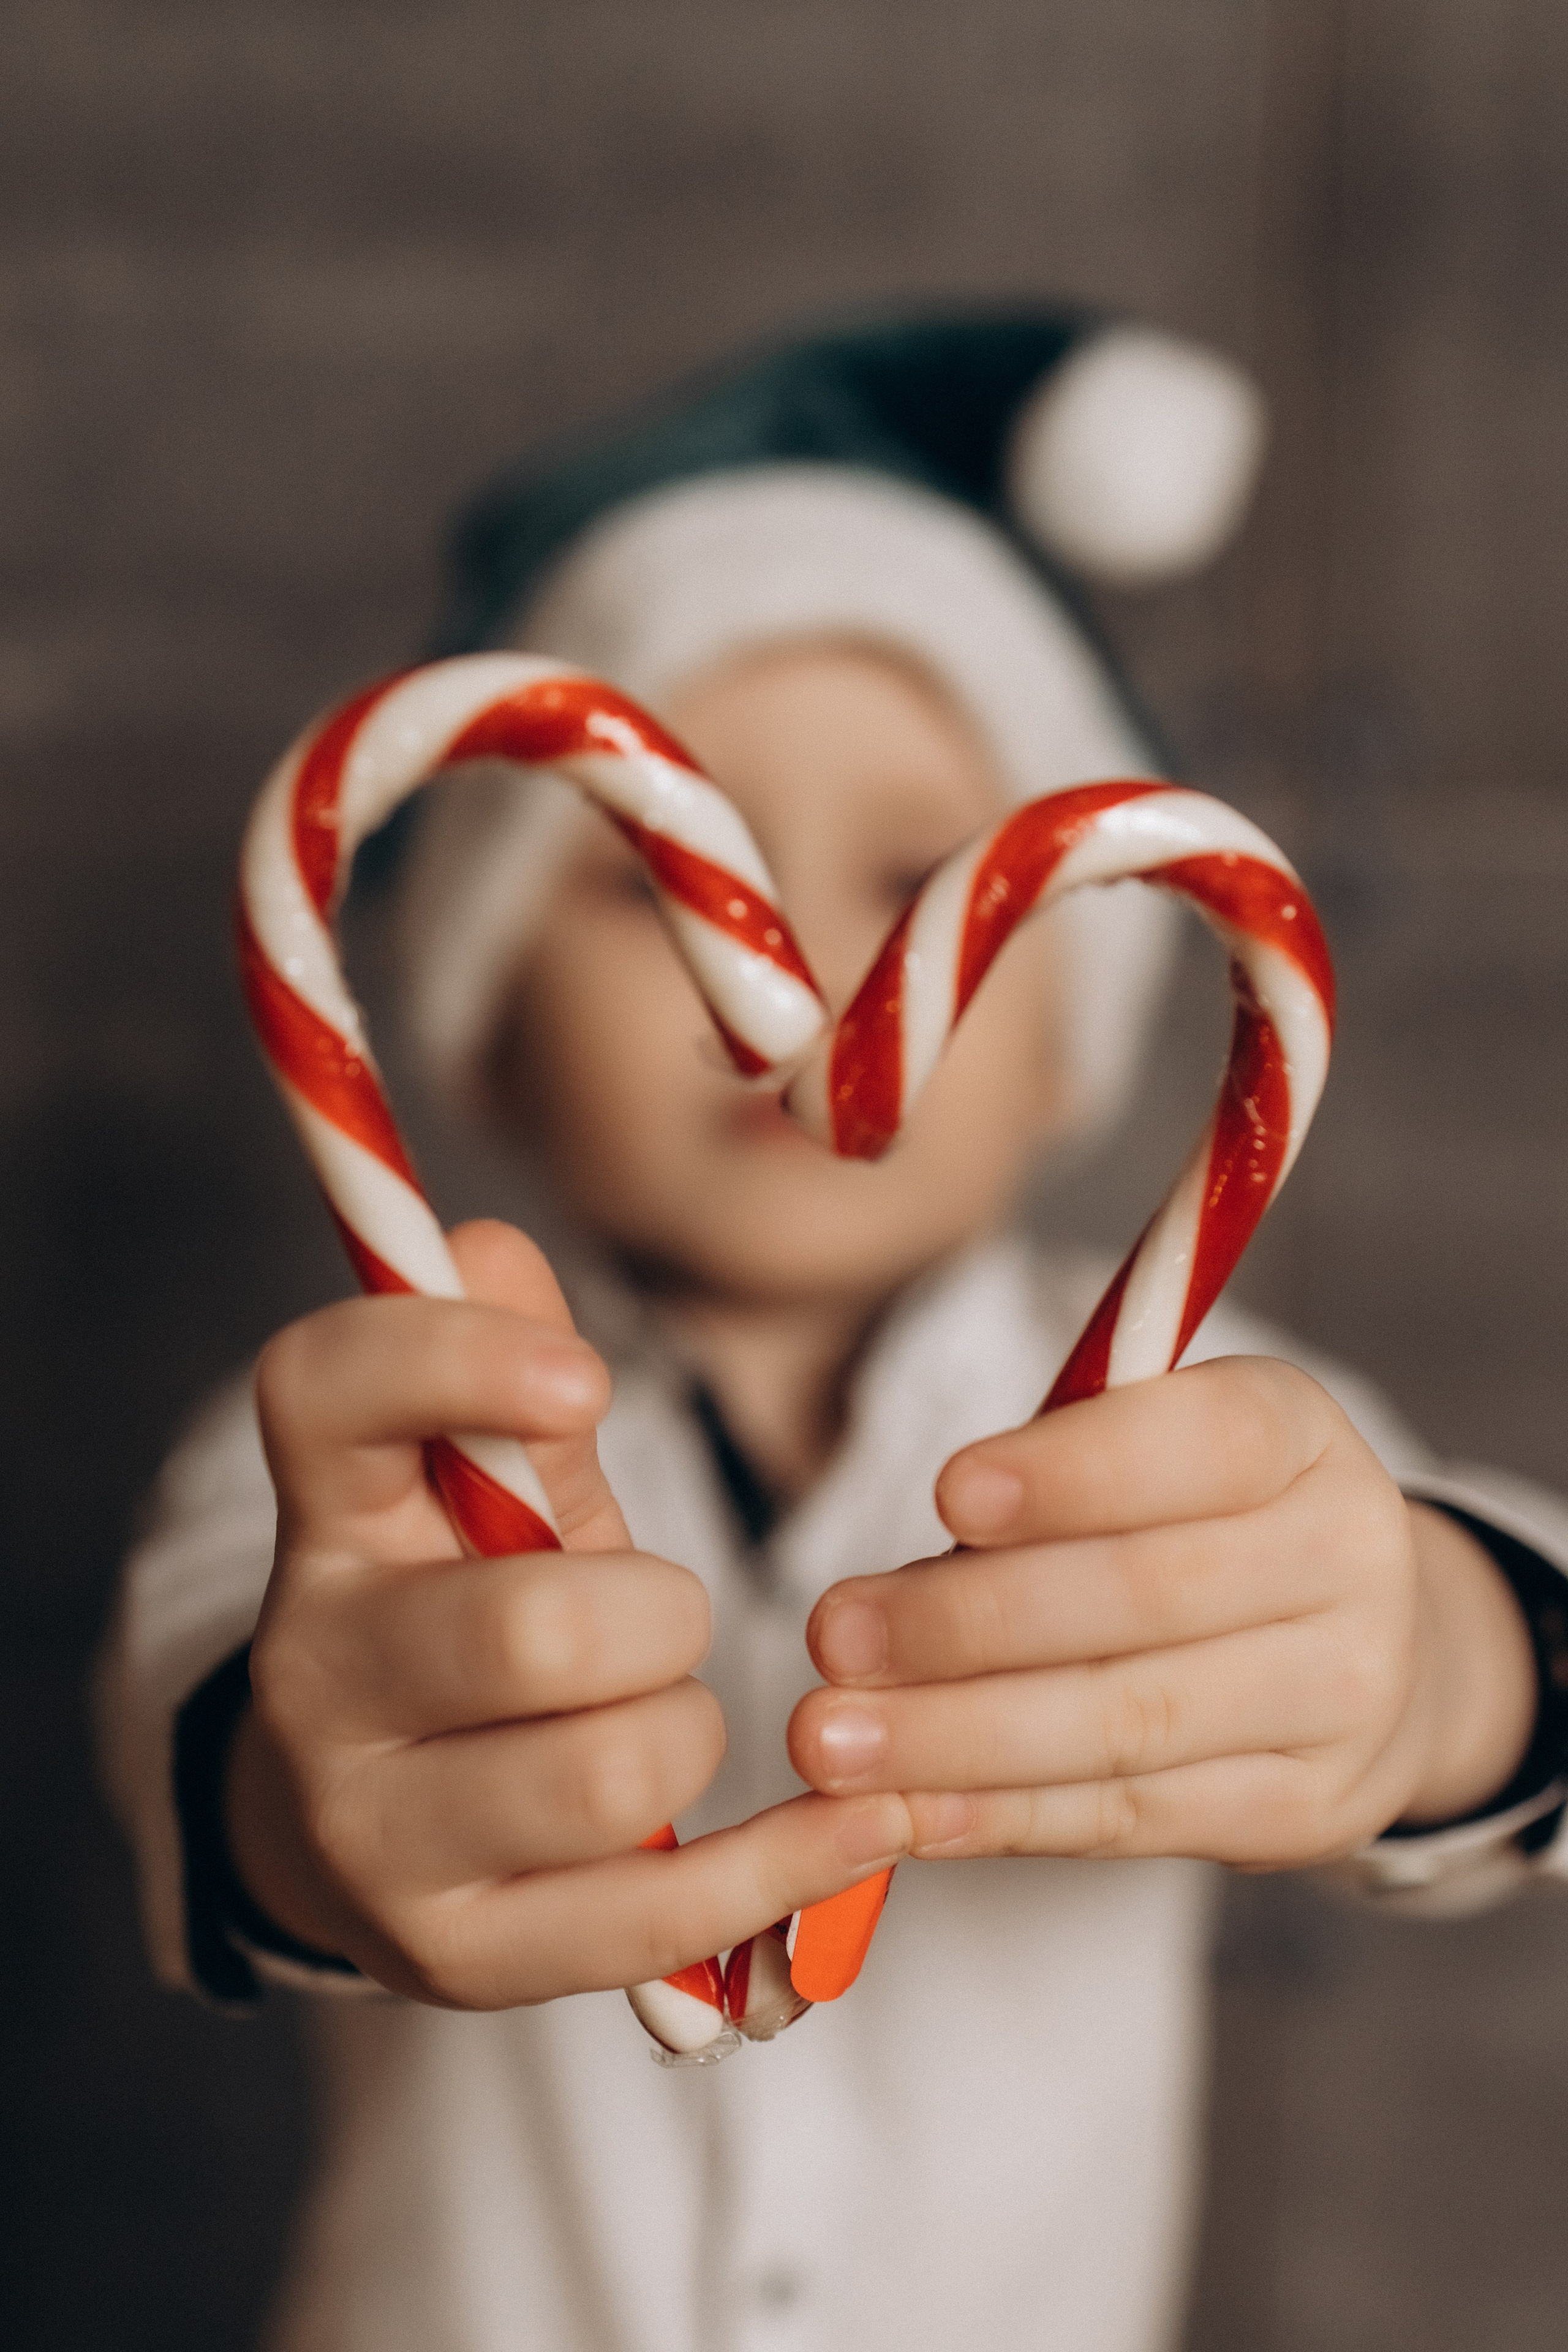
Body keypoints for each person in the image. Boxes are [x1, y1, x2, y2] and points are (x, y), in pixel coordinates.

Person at [101, 314, 1568, 2352]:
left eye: (915, 869)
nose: (809, 976)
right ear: (483, 1007)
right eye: (657, 884)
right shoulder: (360, 1442)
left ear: (1073, 1016)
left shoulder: (1200, 1416)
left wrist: (1431, 1673)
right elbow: (221, 1755)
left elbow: (1521, 1669)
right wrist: (318, 1796)